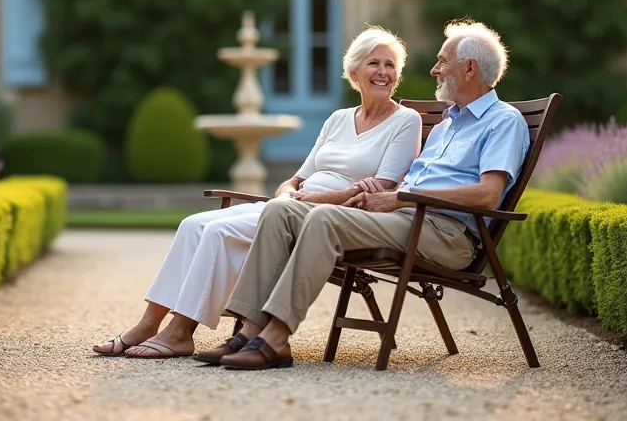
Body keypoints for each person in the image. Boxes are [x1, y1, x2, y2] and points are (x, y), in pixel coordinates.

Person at [212, 19, 530, 370]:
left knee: (323, 219)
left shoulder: (504, 121)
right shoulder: (447, 124)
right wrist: (379, 193)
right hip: (404, 218)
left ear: (469, 68)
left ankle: (276, 337)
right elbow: (412, 181)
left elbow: (488, 195)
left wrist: (401, 199)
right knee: (279, 212)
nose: (434, 69)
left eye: (443, 61)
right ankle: (250, 329)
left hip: (446, 234)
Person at [91, 26, 423, 360]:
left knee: (220, 231)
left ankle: (180, 332)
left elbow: (380, 188)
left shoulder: (405, 120)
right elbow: (296, 178)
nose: (383, 73)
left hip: (330, 217)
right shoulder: (338, 119)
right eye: (374, 64)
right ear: (354, 72)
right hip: (294, 205)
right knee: (193, 224)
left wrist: (315, 199)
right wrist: (286, 194)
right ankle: (148, 325)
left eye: (390, 65)